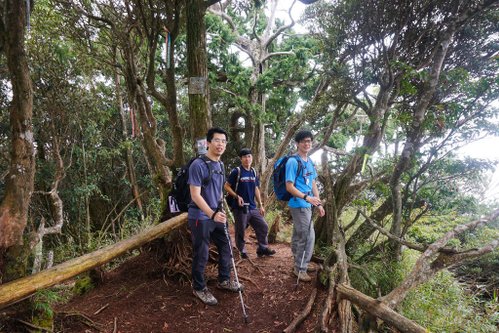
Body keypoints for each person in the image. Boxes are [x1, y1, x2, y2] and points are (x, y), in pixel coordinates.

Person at [188, 127, 242, 306]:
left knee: (226, 246)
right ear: (208, 143)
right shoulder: (198, 165)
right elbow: (195, 195)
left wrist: (220, 209)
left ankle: (224, 279)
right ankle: (199, 287)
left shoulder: (220, 165)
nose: (220, 144)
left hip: (216, 214)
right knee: (201, 253)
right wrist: (212, 214)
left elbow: (218, 191)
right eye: (217, 140)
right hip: (201, 216)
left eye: (223, 141)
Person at [285, 130, 325, 282]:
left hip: (307, 203)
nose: (307, 144)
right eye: (303, 141)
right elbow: (289, 187)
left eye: (309, 141)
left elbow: (313, 182)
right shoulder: (293, 162)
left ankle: (299, 263)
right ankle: (300, 268)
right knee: (308, 236)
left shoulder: (309, 162)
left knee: (298, 234)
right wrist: (307, 198)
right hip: (298, 203)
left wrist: (318, 202)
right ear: (297, 143)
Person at [224, 148, 276, 259]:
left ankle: (262, 248)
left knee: (263, 226)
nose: (247, 159)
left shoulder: (253, 171)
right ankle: (241, 250)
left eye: (249, 156)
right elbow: (226, 186)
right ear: (241, 159)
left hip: (252, 207)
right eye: (244, 157)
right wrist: (236, 196)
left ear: (252, 158)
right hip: (240, 207)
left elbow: (256, 188)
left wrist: (261, 205)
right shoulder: (236, 171)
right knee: (241, 230)